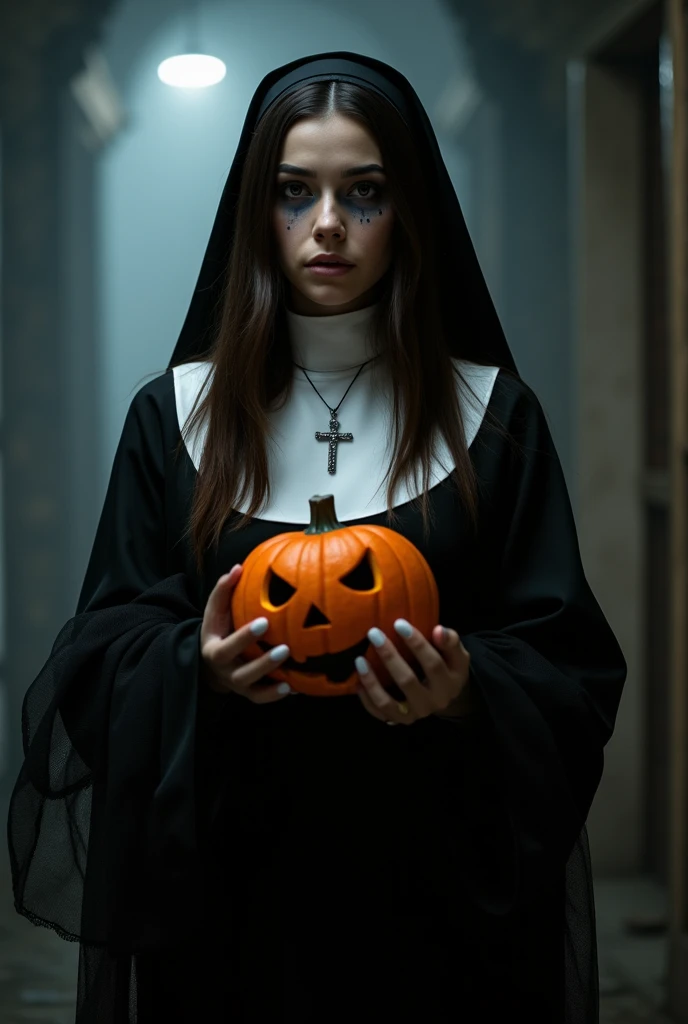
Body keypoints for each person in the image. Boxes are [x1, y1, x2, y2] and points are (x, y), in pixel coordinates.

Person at [7, 52, 627, 1023]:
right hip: (226, 898)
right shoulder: (174, 418)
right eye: (295, 193)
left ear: (409, 211)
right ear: (257, 209)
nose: (327, 225)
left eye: (364, 193)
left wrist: (470, 691)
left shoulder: (494, 418)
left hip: (439, 905)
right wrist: (193, 665)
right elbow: (96, 656)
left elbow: (571, 665)